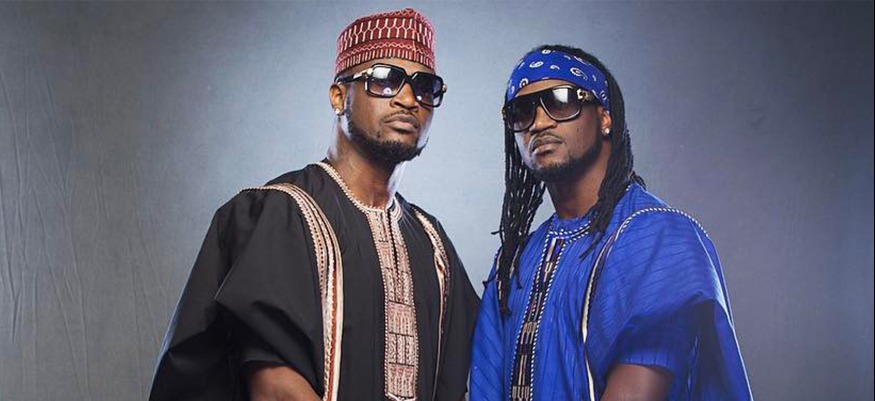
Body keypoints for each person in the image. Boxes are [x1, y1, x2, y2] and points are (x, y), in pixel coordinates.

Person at [149, 8, 479, 401]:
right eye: (385, 80)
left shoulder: (434, 245)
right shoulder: (281, 213)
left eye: (425, 86)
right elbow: (274, 389)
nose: (408, 99)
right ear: (339, 96)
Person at [469, 45, 753, 401]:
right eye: (522, 111)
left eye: (560, 101)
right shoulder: (513, 265)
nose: (539, 123)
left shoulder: (660, 239)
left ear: (604, 117)